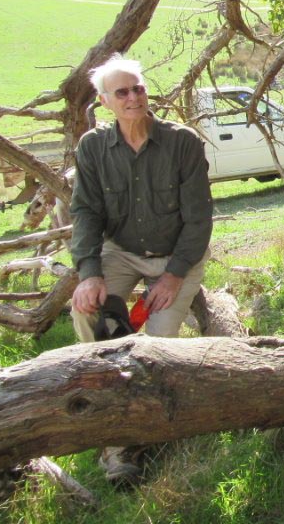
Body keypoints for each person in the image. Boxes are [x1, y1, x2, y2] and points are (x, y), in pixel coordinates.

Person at [69, 55, 213, 482]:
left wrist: (172, 277)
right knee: (88, 311)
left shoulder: (182, 141)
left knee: (158, 339)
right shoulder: (93, 148)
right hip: (122, 252)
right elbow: (86, 212)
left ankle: (136, 436)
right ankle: (102, 398)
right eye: (122, 92)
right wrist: (89, 273)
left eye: (138, 88)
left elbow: (199, 219)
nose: (133, 98)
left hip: (176, 256)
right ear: (103, 102)